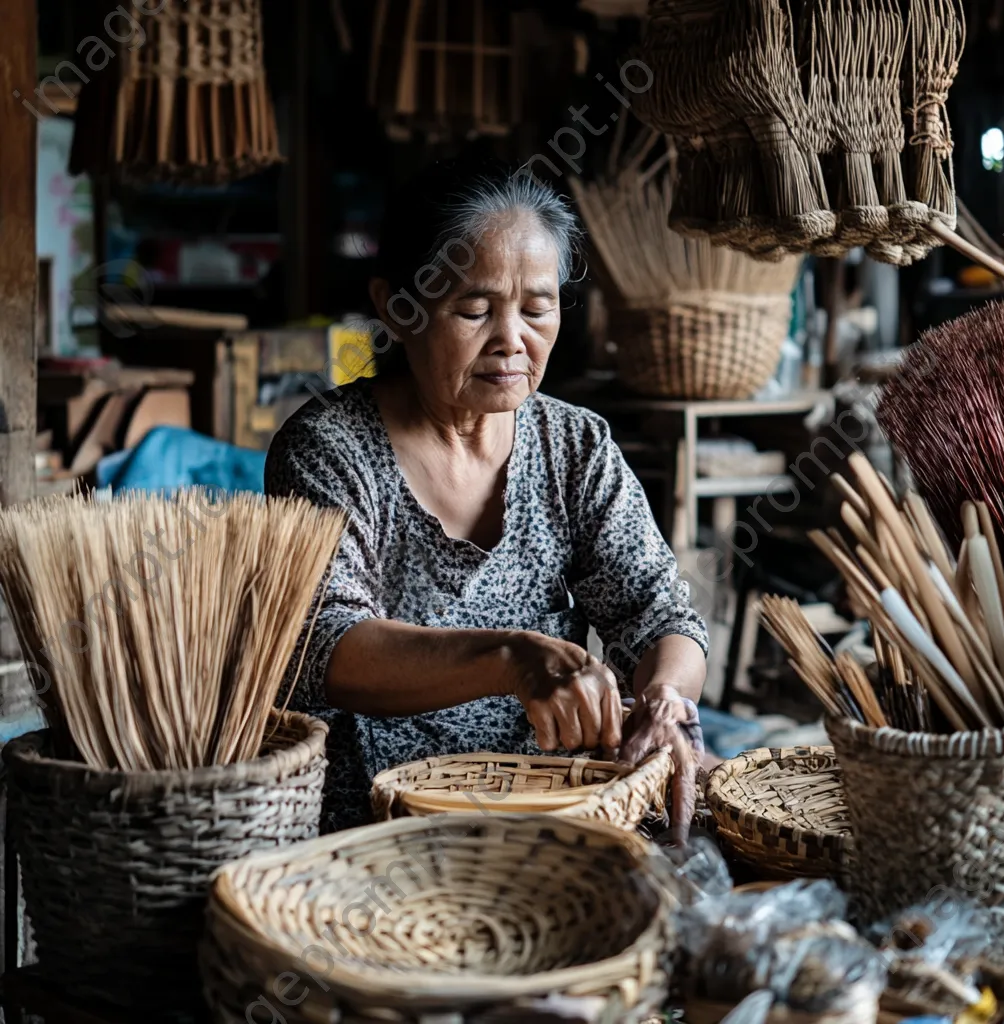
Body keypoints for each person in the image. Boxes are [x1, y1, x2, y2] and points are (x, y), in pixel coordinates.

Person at [265, 159, 709, 833]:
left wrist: (666, 698)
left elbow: (660, 612)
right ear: (396, 306)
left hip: (555, 807)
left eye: (537, 308)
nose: (512, 341)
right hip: (372, 821)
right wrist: (512, 659)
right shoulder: (328, 447)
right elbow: (329, 644)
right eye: (474, 309)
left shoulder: (574, 447)